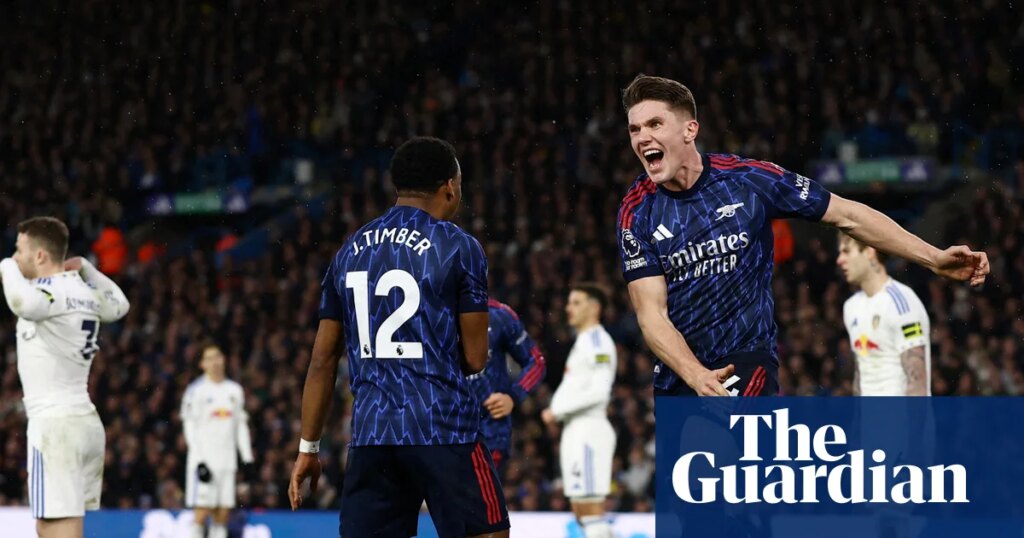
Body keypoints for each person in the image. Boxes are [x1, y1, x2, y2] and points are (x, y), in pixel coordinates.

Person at [616, 74, 989, 397]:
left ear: (689, 130)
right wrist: (695, 374)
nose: (643, 137)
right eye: (635, 130)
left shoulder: (748, 180)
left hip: (746, 361)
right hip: (680, 377)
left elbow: (848, 215)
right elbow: (651, 315)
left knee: (714, 446)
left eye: (654, 124)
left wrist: (932, 257)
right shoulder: (636, 211)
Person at [288, 137, 510, 538]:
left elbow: (322, 360)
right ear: (450, 186)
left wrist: (309, 448)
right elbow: (476, 358)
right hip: (443, 427)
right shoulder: (458, 246)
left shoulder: (350, 251)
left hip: (373, 434)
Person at [0, 217, 130, 538]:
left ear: (40, 255)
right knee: (52, 526)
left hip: (55, 426)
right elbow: (120, 306)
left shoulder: (47, 293)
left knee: (57, 528)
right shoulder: (83, 292)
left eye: (19, 250)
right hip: (83, 422)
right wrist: (87, 268)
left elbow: (22, 303)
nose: (15, 257)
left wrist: (5, 265)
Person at [541, 284, 617, 538]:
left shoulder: (597, 341)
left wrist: (556, 410)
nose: (568, 308)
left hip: (589, 430)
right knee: (581, 512)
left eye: (576, 302)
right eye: (568, 302)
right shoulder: (583, 341)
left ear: (595, 307)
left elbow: (600, 391)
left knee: (591, 511)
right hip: (576, 430)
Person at [837, 233, 931, 395]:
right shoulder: (851, 307)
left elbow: (917, 382)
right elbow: (862, 372)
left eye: (846, 251)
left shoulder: (901, 303)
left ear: (869, 251)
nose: (840, 260)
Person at [181, 343, 256, 538]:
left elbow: (240, 425)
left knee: (222, 514)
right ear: (202, 364)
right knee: (201, 511)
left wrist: (247, 457)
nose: (214, 362)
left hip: (227, 461)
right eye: (209, 358)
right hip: (204, 461)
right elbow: (189, 427)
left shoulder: (234, 390)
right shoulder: (195, 391)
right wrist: (199, 460)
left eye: (217, 357)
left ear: (224, 360)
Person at [473, 298, 546, 477]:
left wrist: (513, 396)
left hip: (489, 431)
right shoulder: (429, 314)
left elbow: (536, 362)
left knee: (482, 493)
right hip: (442, 431)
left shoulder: (498, 315)